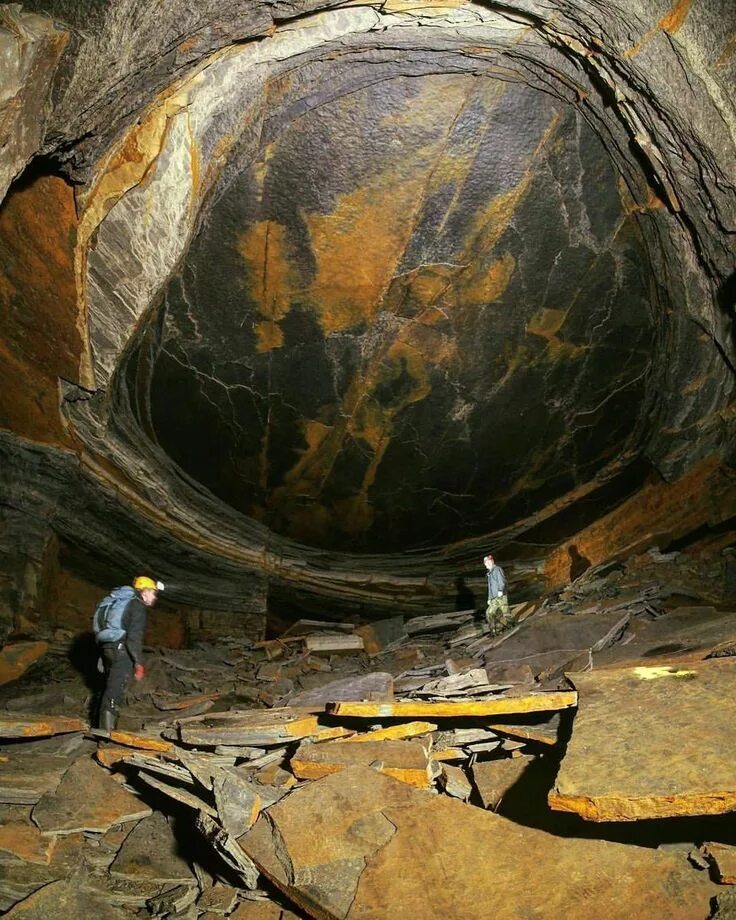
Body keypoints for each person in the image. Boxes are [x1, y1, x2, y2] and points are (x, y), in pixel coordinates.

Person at [93, 575, 164, 731]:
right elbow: (134, 639)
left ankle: (102, 727)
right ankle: (106, 732)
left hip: (107, 648)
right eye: (152, 592)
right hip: (122, 650)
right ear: (144, 591)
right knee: (115, 689)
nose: (154, 597)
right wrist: (138, 663)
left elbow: (99, 628)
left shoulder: (115, 604)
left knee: (107, 686)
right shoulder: (137, 606)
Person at [483, 554, 514, 636]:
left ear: (492, 561)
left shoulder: (497, 569)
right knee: (489, 613)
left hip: (501, 595)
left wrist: (500, 590)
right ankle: (493, 632)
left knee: (505, 611)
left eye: (489, 562)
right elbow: (490, 587)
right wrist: (489, 598)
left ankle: (512, 626)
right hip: (494, 598)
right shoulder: (489, 573)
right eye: (486, 562)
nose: (487, 564)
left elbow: (501, 580)